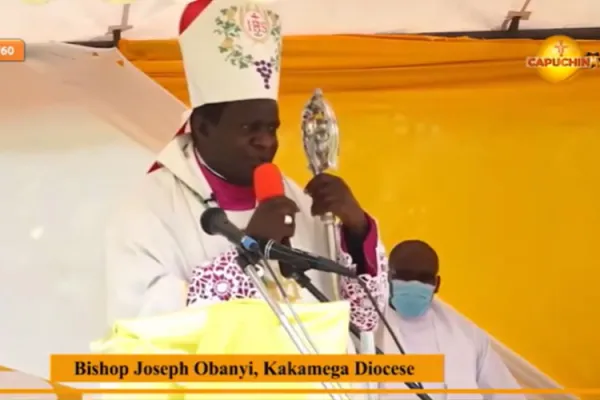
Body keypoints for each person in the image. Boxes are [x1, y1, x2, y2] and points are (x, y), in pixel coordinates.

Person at [104, 0, 388, 337]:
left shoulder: (299, 202)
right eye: (248, 129)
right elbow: (142, 327)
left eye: (270, 128)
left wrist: (356, 232)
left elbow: (363, 324)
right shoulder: (152, 207)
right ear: (203, 127)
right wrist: (249, 253)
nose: (265, 142)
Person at [376, 240, 526, 399]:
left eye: (423, 278)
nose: (414, 283)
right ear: (388, 276)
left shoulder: (468, 337)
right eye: (405, 276)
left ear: (437, 284)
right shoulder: (368, 330)